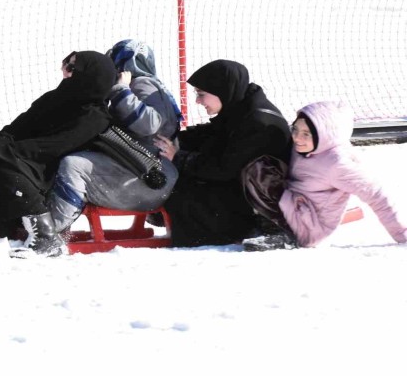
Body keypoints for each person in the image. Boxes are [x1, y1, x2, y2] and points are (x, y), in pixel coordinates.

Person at [0, 51, 117, 255]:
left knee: (7, 165)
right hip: (26, 159)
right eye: (65, 63)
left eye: (72, 67)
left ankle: (45, 237)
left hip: (51, 170)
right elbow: (16, 129)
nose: (64, 70)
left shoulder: (95, 117)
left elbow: (51, 147)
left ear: (90, 75)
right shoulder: (54, 98)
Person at [46, 39, 181, 241]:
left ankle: (51, 231)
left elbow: (149, 124)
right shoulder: (153, 85)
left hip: (144, 180)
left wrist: (121, 90)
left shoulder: (141, 83)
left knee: (73, 165)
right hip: (150, 178)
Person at [155, 59, 291, 247]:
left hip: (263, 205)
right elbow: (212, 136)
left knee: (186, 194)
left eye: (202, 94)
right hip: (240, 189)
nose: (197, 101)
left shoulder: (259, 123)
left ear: (223, 90)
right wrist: (174, 139)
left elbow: (223, 168)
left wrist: (178, 157)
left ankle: (265, 230)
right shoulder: (240, 109)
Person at [242, 101, 407, 251]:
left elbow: (377, 195)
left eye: (306, 133)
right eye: (296, 129)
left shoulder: (337, 164)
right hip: (298, 204)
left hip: (308, 226)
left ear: (324, 135)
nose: (297, 137)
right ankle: (264, 219)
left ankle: (284, 234)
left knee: (260, 171)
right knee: (264, 162)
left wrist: (402, 234)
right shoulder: (307, 147)